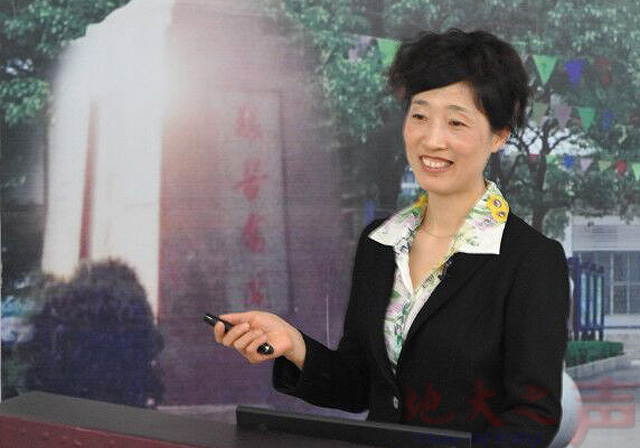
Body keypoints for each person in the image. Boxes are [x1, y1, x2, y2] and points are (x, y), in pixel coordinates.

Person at [213, 28, 570, 448]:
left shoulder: (530, 260)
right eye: (419, 116)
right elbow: (359, 384)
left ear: (499, 135)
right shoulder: (380, 242)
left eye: (456, 122)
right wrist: (294, 344)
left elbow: (533, 417)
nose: (431, 139)